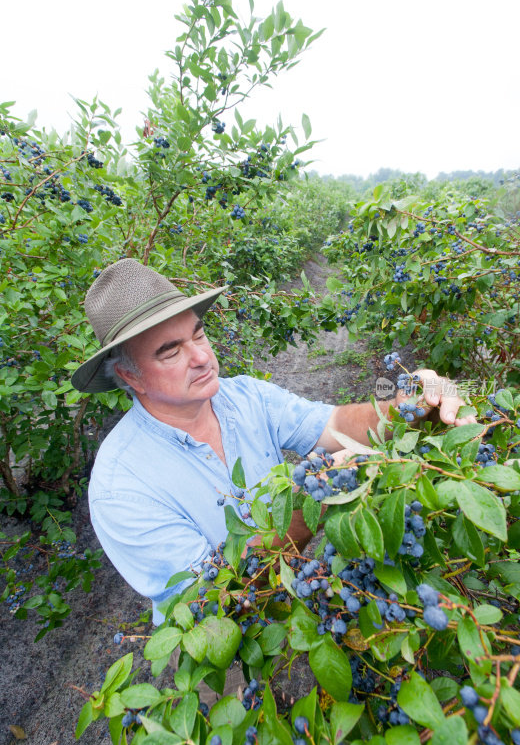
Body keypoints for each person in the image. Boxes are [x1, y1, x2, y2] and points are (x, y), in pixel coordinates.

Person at [72, 259, 475, 624]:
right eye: (171, 352)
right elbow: (219, 592)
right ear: (130, 377)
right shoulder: (120, 488)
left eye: (198, 335)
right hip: (222, 639)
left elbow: (334, 423)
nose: (201, 357)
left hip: (294, 591)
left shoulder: (247, 397)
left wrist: (410, 398)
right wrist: (319, 494)